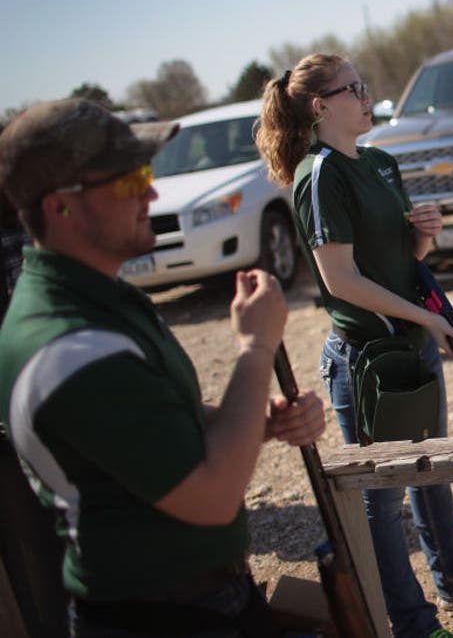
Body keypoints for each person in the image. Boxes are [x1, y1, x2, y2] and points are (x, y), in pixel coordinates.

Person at [0, 98, 326, 636]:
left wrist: (253, 422)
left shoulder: (98, 297)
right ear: (59, 208)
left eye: (145, 174)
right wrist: (255, 348)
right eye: (128, 183)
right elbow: (214, 499)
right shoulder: (67, 345)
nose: (150, 193)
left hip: (194, 602)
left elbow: (151, 421)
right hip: (156, 617)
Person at [256, 54, 453, 638]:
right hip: (368, 360)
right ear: (320, 106)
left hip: (412, 346)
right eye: (353, 89)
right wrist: (428, 322)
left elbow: (402, 264)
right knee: (382, 496)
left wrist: (423, 237)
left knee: (431, 469)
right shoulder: (319, 174)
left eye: (364, 84)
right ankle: (411, 621)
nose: (366, 95)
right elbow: (341, 281)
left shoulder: (379, 161)